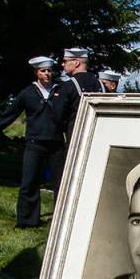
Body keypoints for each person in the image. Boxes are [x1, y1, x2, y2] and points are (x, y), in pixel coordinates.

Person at [0, 56, 65, 227]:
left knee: (61, 183)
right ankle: (27, 221)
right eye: (43, 71)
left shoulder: (61, 90)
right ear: (36, 72)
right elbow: (9, 114)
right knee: (29, 183)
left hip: (56, 144)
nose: (47, 74)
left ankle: (62, 220)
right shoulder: (27, 93)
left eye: (49, 70)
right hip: (34, 144)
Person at [51, 47, 103, 196]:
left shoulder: (68, 87)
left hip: (74, 138)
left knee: (69, 180)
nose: (62, 65)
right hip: (97, 139)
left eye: (65, 61)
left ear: (76, 62)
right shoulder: (100, 85)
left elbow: (57, 116)